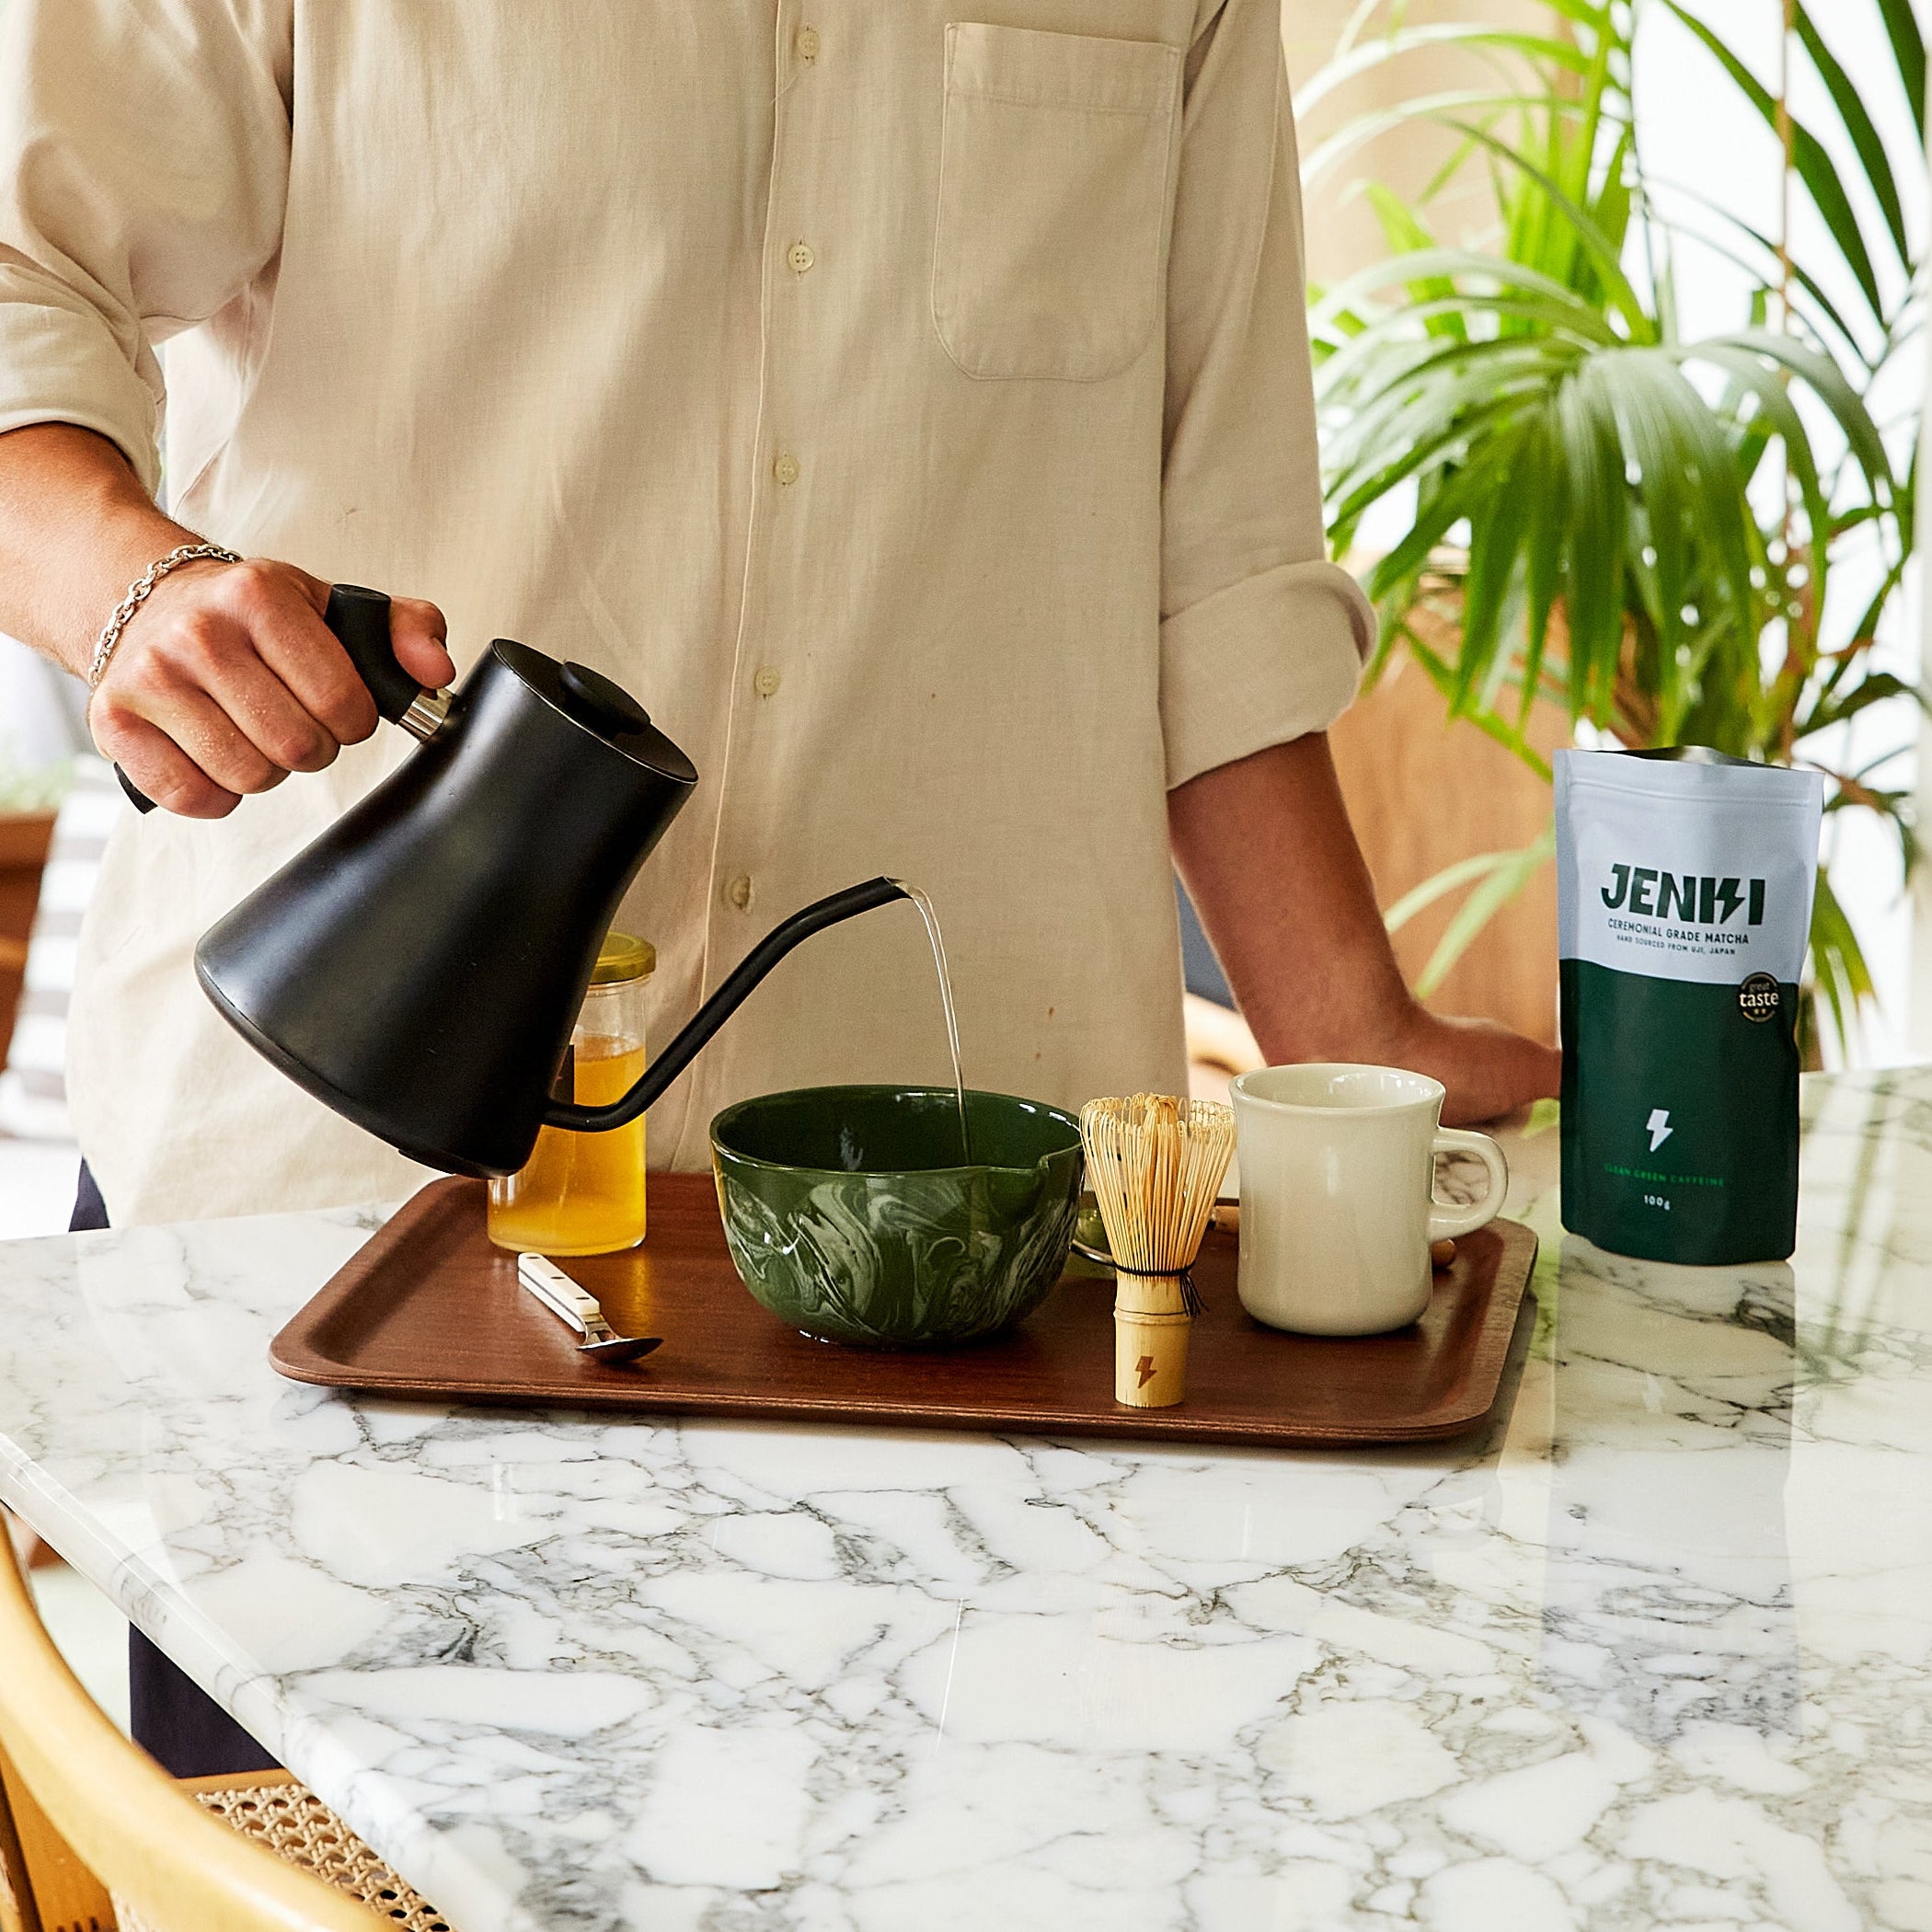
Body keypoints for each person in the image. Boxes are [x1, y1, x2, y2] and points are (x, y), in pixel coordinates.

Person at [0, 3, 1558, 1774]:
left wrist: (1354, 1048)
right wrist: (128, 586)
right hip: (338, 1212)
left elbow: (1216, 559)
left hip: (957, 1284)